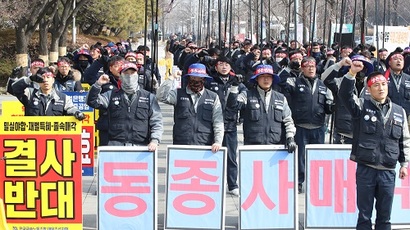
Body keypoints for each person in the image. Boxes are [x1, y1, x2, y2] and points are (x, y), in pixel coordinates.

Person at [339, 65, 410, 230]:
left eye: (384, 84)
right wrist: (351, 73)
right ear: (369, 89)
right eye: (376, 85)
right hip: (366, 169)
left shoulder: (399, 112)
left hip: (388, 170)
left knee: (385, 218)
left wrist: (405, 164)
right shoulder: (361, 106)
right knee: (364, 216)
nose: (381, 88)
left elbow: (404, 140)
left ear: (388, 86)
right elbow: (345, 95)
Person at [282, 57, 334, 193]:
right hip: (300, 125)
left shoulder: (323, 85)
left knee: (318, 156)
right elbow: (281, 84)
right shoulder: (294, 82)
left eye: (313, 66)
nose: (311, 68)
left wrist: (331, 106)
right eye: (307, 66)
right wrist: (288, 67)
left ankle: (316, 182)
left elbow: (329, 104)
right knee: (300, 157)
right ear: (302, 68)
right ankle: (299, 181)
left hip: (318, 126)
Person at [86, 61, 163, 151]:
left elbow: (157, 121)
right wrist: (98, 84)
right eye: (126, 73)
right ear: (121, 76)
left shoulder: (149, 97)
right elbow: (91, 101)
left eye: (132, 73)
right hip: (115, 146)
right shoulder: (111, 95)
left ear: (137, 75)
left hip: (141, 147)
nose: (129, 76)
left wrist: (155, 140)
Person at [157, 63, 224, 153]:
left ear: (204, 79)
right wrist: (171, 78)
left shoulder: (213, 97)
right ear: (188, 78)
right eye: (193, 77)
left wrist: (218, 142)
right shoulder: (178, 94)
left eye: (199, 78)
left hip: (205, 144)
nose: (196, 80)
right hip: (181, 143)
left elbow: (218, 121)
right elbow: (161, 96)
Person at [227, 64, 297, 149]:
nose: (266, 79)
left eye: (269, 76)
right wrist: (234, 86)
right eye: (262, 76)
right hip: (253, 147)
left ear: (273, 79)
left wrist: (290, 137)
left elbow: (288, 120)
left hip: (276, 147)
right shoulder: (247, 95)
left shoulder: (281, 98)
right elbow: (232, 106)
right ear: (257, 79)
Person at [207, 56, 247, 196]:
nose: (224, 67)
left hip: (230, 124)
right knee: (212, 155)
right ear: (216, 66)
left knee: (231, 156)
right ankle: (213, 183)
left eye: (227, 64)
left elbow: (243, 97)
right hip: (211, 124)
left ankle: (232, 184)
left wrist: (239, 108)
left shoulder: (236, 82)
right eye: (221, 64)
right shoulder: (209, 81)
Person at [11, 67, 85, 120]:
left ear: (53, 80)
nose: (45, 80)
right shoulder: (30, 94)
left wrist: (77, 112)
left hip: (54, 137)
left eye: (48, 77)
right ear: (38, 81)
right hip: (33, 137)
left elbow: (71, 109)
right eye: (42, 77)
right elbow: (14, 88)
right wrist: (29, 79)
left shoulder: (63, 98)